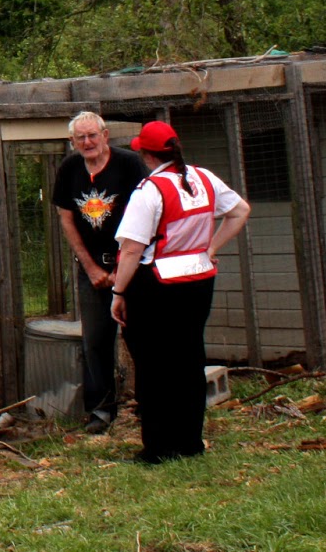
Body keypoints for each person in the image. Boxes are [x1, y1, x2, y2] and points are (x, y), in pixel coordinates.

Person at [110, 120, 251, 463]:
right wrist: (211, 247)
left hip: (157, 281)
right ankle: (190, 442)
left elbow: (131, 249)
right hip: (199, 279)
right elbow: (240, 211)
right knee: (189, 358)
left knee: (153, 363)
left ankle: (158, 448)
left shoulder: (150, 190)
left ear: (145, 154)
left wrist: (118, 292)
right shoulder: (204, 178)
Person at [53, 111, 146, 434]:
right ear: (72, 142)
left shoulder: (130, 164)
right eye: (81, 137)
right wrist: (91, 268)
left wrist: (121, 268)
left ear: (105, 135)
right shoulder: (69, 169)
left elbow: (146, 215)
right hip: (91, 270)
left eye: (93, 135)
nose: (88, 142)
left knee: (140, 337)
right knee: (95, 340)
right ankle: (102, 411)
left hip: (132, 265)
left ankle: (148, 405)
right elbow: (66, 219)